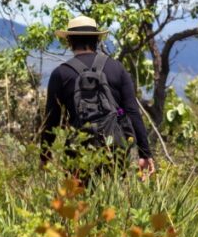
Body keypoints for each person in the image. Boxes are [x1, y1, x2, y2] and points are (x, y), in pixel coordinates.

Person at [41, 15, 155, 179]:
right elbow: (132, 112)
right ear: (97, 39)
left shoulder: (61, 73)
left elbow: (51, 119)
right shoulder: (117, 68)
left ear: (69, 41)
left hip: (77, 151)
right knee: (113, 198)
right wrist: (145, 153)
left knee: (80, 201)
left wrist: (45, 157)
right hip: (115, 149)